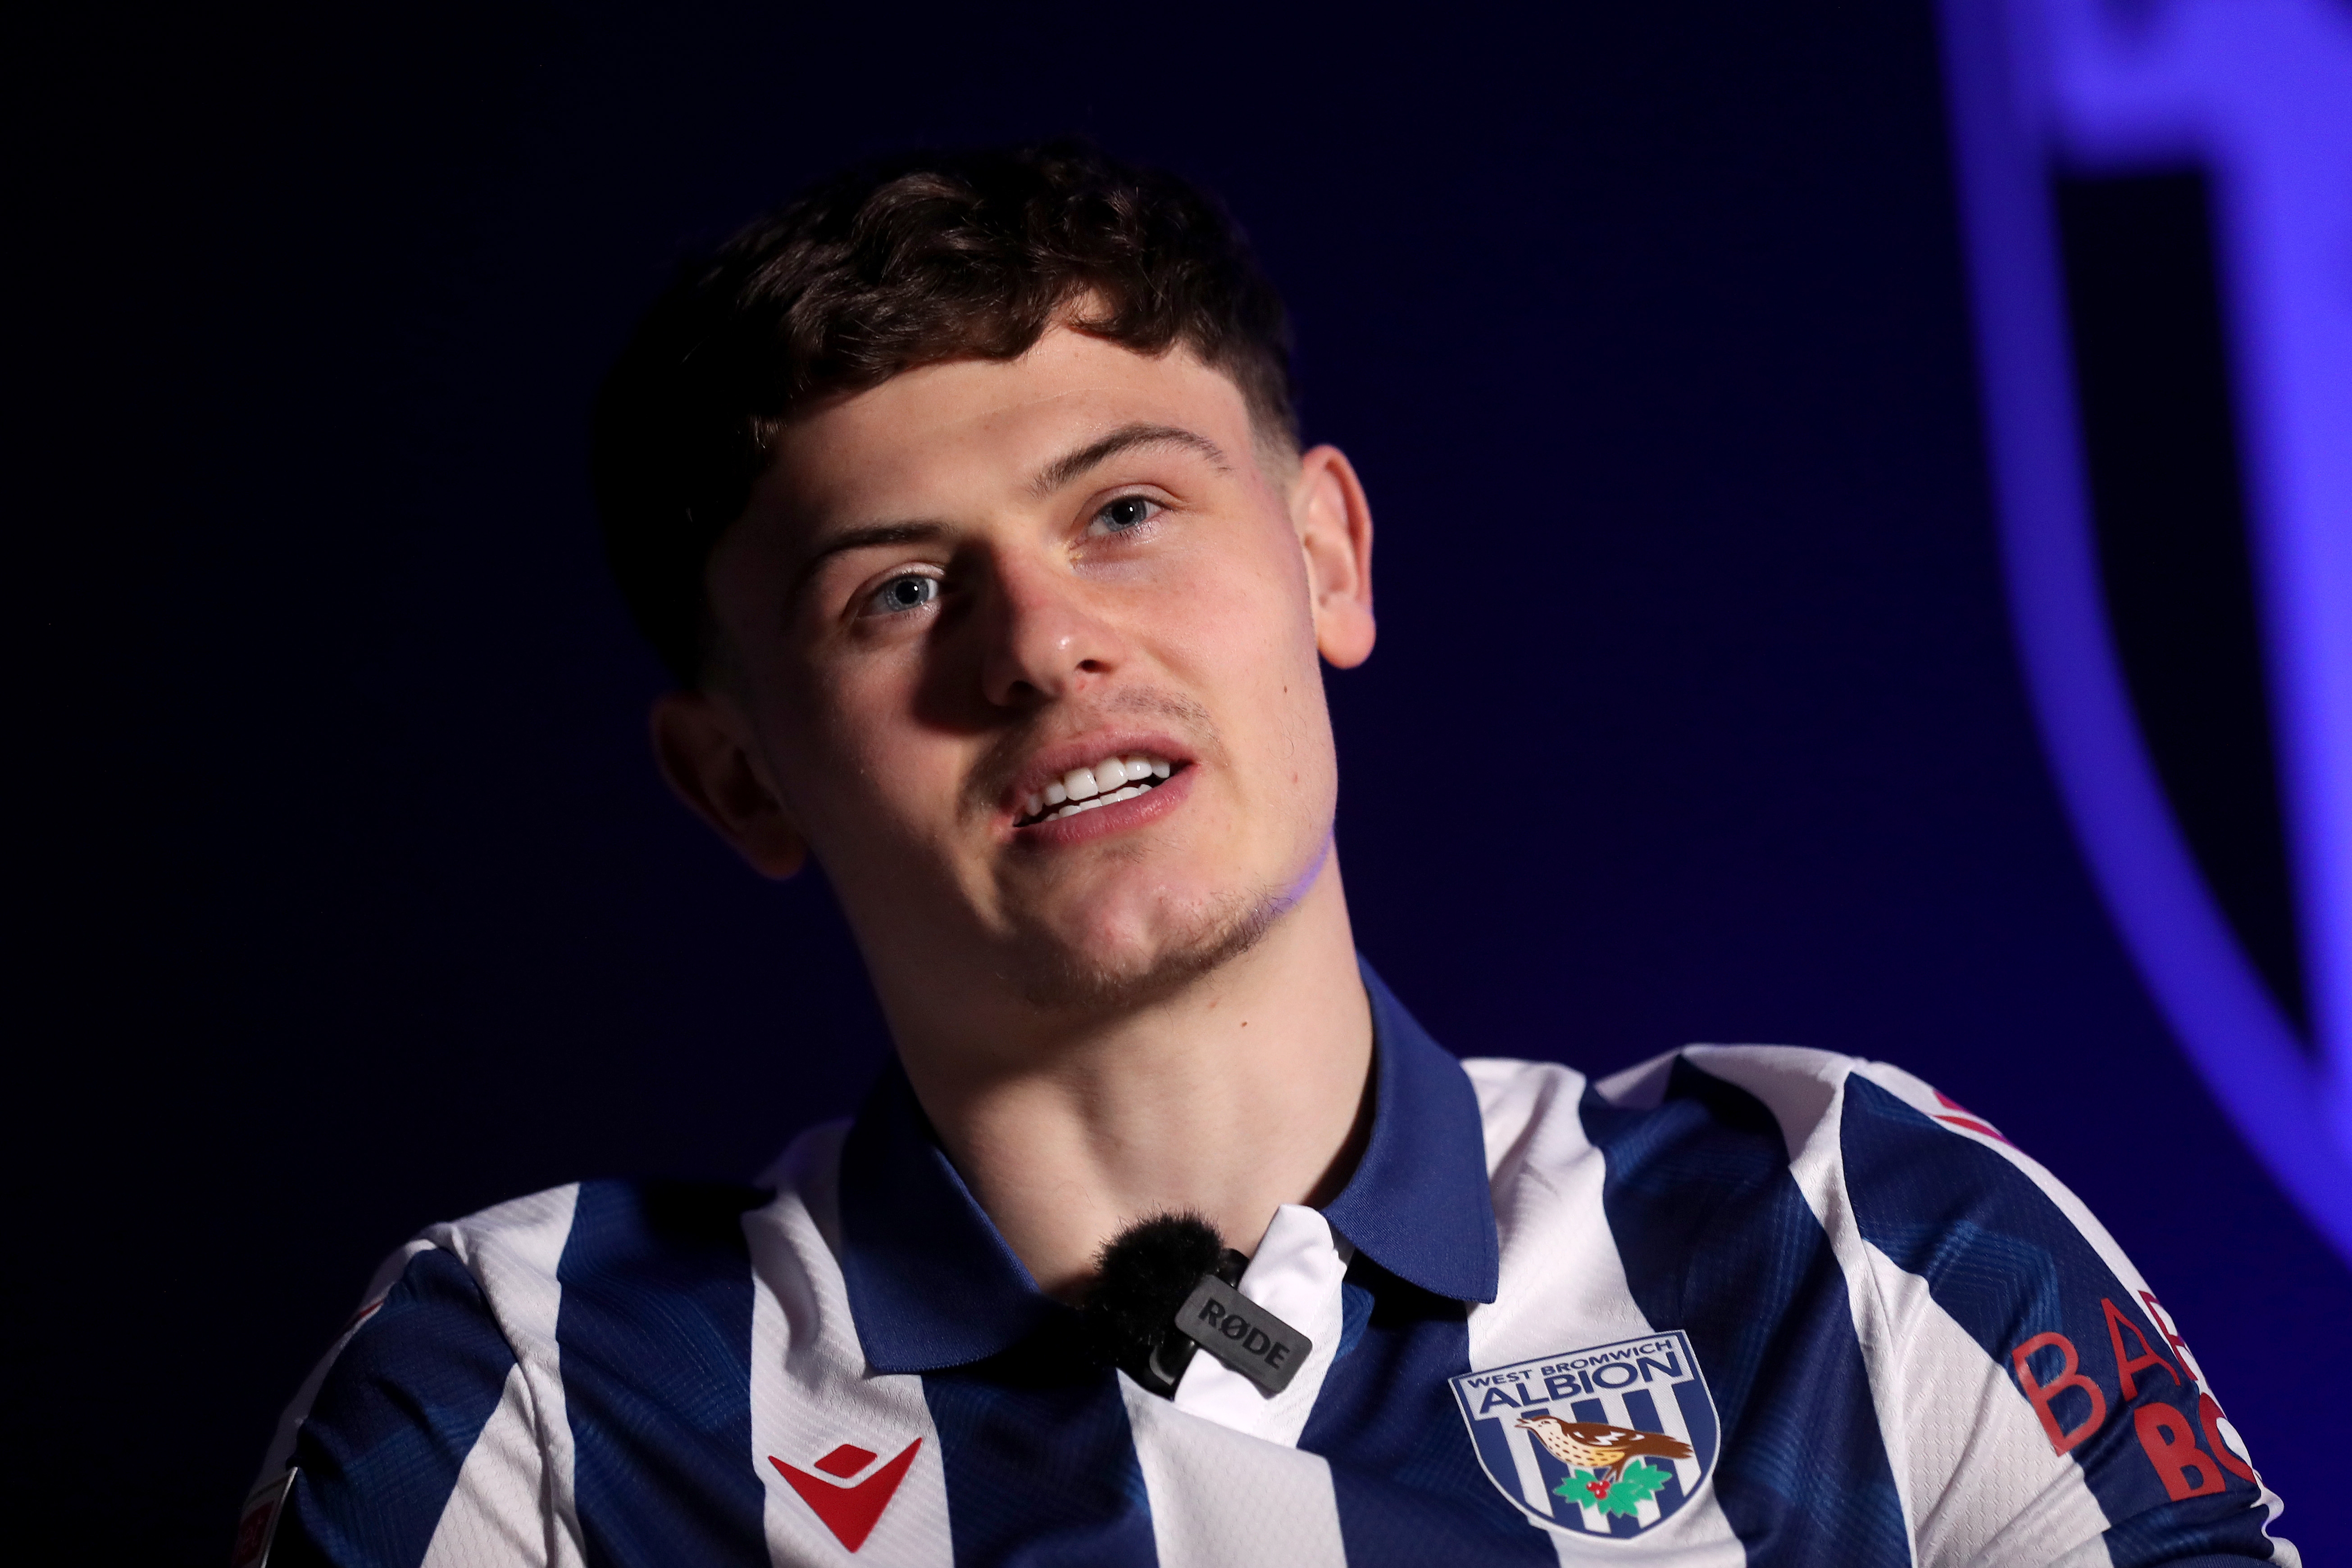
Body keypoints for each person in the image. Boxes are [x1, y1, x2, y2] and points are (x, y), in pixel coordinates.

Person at [237, 141, 2297, 1568]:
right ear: (739, 778)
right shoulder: (542, 1392)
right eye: (894, 593)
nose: (1043, 642)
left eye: (1125, 509)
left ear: (1324, 551)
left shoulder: (1841, 1237)